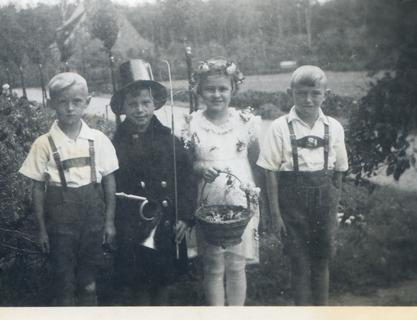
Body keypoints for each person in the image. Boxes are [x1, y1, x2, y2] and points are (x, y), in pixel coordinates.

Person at [19, 72, 118, 306]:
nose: (70, 108)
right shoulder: (44, 143)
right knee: (63, 283)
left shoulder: (98, 139)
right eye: (63, 102)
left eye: (77, 101)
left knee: (89, 282)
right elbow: (37, 189)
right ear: (51, 103)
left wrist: (109, 222)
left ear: (88, 102)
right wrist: (42, 230)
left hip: (93, 222)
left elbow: (110, 182)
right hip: (60, 225)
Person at [257, 65, 348, 306]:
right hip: (292, 206)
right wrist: (275, 213)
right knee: (298, 264)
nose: (308, 100)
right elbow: (270, 173)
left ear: (325, 94)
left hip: (324, 205)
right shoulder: (279, 127)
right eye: (301, 93)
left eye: (315, 93)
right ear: (290, 93)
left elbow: (339, 172)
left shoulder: (334, 127)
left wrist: (334, 210)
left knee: (321, 262)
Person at [110, 59, 197, 306]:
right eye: (133, 104)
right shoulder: (115, 144)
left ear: (155, 104)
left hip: (165, 222)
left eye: (146, 103)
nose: (140, 109)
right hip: (130, 225)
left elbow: (187, 178)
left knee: (161, 282)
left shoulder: (169, 141)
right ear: (123, 107)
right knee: (138, 286)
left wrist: (184, 215)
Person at [181, 58, 262, 306]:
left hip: (241, 200)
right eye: (210, 89)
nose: (216, 95)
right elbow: (186, 165)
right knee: (214, 266)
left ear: (233, 89)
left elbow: (256, 161)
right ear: (199, 91)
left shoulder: (246, 122)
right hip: (208, 202)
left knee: (237, 265)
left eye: (223, 89)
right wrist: (200, 168)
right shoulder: (192, 122)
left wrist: (258, 201)